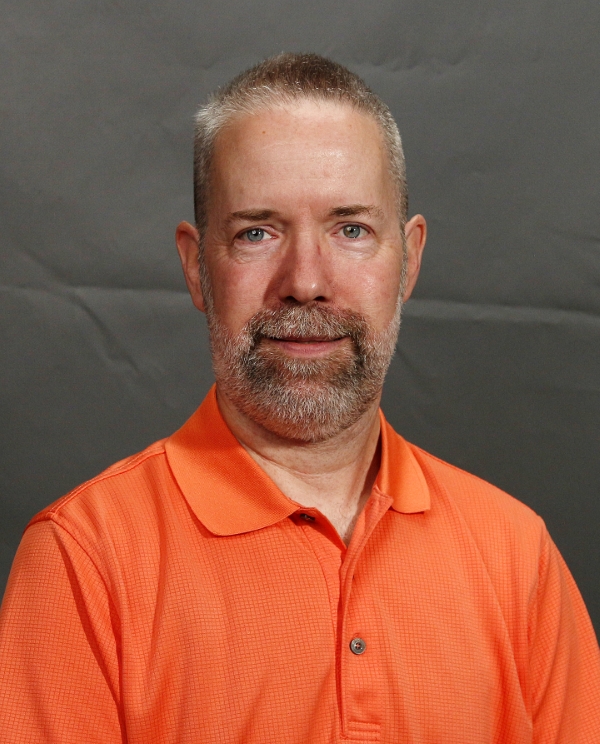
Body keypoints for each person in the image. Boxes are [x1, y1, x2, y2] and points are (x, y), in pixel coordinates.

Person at [0, 53, 599, 743]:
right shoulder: (85, 561)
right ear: (197, 268)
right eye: (257, 232)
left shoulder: (517, 556)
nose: (306, 282)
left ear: (409, 260)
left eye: (351, 229)